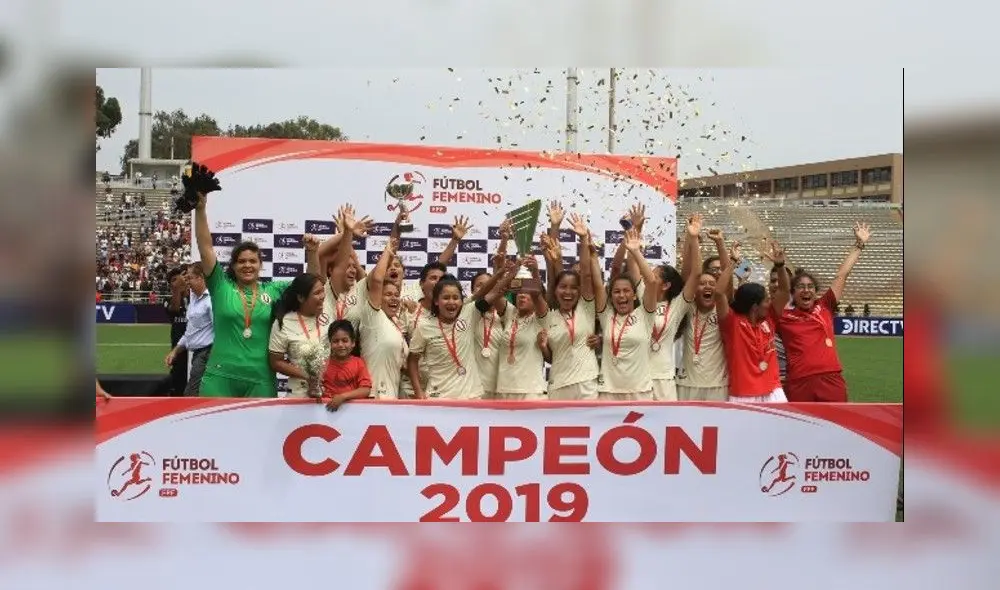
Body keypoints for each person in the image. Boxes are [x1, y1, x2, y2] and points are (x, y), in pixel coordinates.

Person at [192, 186, 320, 397]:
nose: (247, 265)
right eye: (241, 261)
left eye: (253, 261)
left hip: (260, 379)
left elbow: (311, 284)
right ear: (232, 266)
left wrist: (313, 252)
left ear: (261, 265)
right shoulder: (220, 286)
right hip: (220, 377)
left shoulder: (274, 289)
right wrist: (201, 209)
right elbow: (205, 247)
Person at [773, 221, 872, 403]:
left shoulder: (824, 305)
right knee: (801, 429)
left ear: (815, 291)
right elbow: (780, 292)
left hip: (831, 378)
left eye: (810, 286)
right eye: (800, 287)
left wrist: (859, 245)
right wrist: (780, 267)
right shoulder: (783, 317)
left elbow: (842, 275)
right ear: (793, 293)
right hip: (798, 381)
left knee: (836, 427)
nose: (806, 290)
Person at [407, 261, 517, 399]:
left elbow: (490, 292)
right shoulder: (424, 326)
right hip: (439, 398)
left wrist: (504, 274)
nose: (451, 302)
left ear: (462, 300)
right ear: (436, 301)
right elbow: (412, 360)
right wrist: (418, 391)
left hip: (471, 397)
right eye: (446, 298)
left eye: (456, 298)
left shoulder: (468, 313)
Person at [714, 240, 787, 403]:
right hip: (743, 394)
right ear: (755, 306)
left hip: (773, 391)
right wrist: (733, 262)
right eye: (767, 300)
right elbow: (718, 293)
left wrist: (781, 266)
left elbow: (784, 291)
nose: (770, 303)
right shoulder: (731, 322)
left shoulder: (769, 318)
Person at [594, 226, 660, 401]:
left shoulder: (645, 314)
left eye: (626, 291)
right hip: (608, 393)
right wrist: (590, 253)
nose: (622, 295)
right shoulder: (606, 315)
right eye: (616, 292)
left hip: (640, 392)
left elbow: (652, 282)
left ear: (634, 294)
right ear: (611, 295)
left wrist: (636, 252)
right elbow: (598, 284)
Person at [538, 214, 600, 400]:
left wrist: (583, 239)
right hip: (559, 385)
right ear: (555, 290)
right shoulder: (548, 315)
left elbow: (587, 274)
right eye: (563, 287)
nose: (568, 292)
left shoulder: (587, 308)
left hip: (587, 384)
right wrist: (543, 347)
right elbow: (550, 358)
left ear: (580, 291)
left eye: (574, 288)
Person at [643, 215, 704, 401]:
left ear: (666, 285)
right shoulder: (640, 299)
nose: (649, 279)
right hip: (638, 378)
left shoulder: (677, 305)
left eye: (654, 276)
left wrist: (693, 238)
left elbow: (696, 274)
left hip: (664, 380)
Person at [676, 226, 731, 402]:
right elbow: (687, 274)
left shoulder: (722, 307)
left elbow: (727, 276)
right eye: (702, 284)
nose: (707, 286)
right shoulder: (688, 306)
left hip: (717, 385)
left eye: (712, 284)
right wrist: (691, 238)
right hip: (687, 384)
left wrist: (720, 243)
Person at [356, 237, 410, 398]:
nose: (394, 298)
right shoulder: (372, 316)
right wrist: (388, 251)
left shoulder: (395, 323)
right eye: (387, 294)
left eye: (396, 295)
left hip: (391, 398)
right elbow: (377, 279)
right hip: (372, 397)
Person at [495, 255, 549, 400]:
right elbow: (494, 294)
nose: (522, 296)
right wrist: (509, 273)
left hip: (530, 391)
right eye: (520, 292)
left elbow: (538, 294)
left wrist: (535, 272)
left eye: (527, 293)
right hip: (503, 388)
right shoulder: (510, 313)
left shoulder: (541, 318)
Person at [267, 273, 328, 399]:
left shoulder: (329, 316)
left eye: (323, 291)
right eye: (317, 293)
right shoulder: (284, 322)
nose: (322, 296)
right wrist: (307, 376)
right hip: (298, 395)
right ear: (301, 298)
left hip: (331, 393)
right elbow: (275, 362)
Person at [165, 263, 213, 396]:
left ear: (201, 278)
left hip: (208, 354)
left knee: (191, 395)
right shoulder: (194, 299)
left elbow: (221, 331)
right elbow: (190, 332)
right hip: (198, 354)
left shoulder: (211, 300)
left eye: (189, 278)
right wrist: (175, 351)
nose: (187, 282)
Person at [322, 320, 373, 411]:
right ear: (330, 343)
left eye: (345, 340)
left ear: (353, 343)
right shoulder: (323, 364)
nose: (340, 345)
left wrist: (342, 397)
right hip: (328, 412)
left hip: (353, 413)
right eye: (335, 341)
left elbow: (365, 390)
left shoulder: (358, 363)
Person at [163, 265, 189, 396]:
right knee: (178, 383)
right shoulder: (168, 300)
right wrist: (177, 289)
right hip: (178, 349)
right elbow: (174, 310)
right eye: (173, 280)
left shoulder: (197, 299)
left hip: (197, 349)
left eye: (179, 278)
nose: (178, 281)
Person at [768, 264, 794, 385]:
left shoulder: (801, 312)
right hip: (767, 378)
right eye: (773, 281)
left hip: (793, 378)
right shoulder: (760, 308)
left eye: (781, 281)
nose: (777, 284)